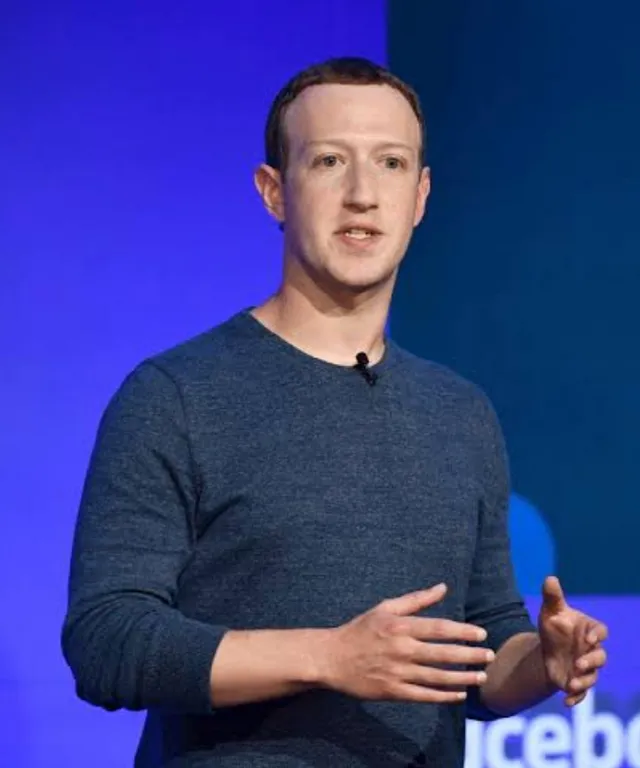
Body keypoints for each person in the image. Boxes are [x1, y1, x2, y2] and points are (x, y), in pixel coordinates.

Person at [61, 57, 608, 767]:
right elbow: (107, 641)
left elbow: (479, 650)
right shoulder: (174, 395)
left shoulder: (461, 413)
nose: (361, 195)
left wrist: (541, 661)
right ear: (273, 192)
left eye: (389, 163)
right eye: (327, 161)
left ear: (420, 195)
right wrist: (328, 656)